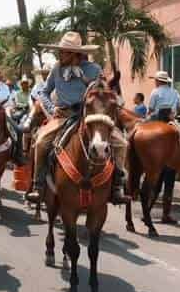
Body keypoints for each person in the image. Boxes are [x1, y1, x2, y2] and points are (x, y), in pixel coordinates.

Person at [26, 31, 130, 205]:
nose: (60, 55)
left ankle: (117, 187)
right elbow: (42, 92)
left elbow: (103, 92)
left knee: (121, 143)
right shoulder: (56, 69)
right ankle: (38, 186)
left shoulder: (94, 69)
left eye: (64, 52)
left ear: (75, 54)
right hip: (63, 115)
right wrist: (52, 109)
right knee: (41, 141)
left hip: (90, 116)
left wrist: (84, 79)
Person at [148, 70, 180, 224]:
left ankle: (147, 209)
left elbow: (150, 110)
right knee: (169, 178)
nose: (155, 82)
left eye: (155, 80)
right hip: (172, 123)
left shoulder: (155, 92)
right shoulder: (175, 92)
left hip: (156, 121)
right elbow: (178, 107)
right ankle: (166, 214)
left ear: (158, 81)